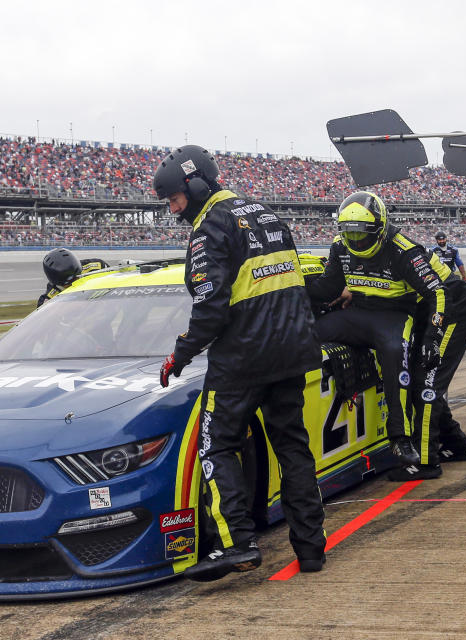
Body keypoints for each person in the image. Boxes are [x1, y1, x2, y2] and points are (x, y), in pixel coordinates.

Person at [153, 145, 326, 581]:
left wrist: (181, 353)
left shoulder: (210, 226)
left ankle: (237, 544)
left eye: (173, 199)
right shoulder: (265, 213)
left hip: (244, 357)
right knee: (293, 448)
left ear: (193, 186)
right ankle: (310, 551)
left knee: (216, 445)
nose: (173, 210)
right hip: (292, 351)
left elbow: (211, 307)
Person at [307, 191, 466, 480]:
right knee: (418, 378)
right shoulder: (340, 247)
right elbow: (328, 287)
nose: (357, 242)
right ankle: (456, 444)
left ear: (380, 228)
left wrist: (432, 338)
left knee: (426, 382)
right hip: (417, 309)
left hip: (451, 308)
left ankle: (425, 461)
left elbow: (439, 294)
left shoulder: (403, 250)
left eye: (363, 236)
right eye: (351, 236)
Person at [37, 248, 108, 307]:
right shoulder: (50, 296)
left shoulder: (98, 266)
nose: (74, 282)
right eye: (68, 284)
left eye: (76, 277)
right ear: (56, 282)